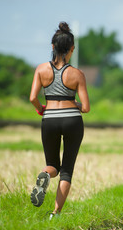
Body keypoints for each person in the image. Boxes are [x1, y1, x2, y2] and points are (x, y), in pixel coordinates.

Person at [29, 21, 90, 219]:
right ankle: (55, 213)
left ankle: (45, 175)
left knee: (53, 165)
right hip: (72, 120)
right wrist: (76, 105)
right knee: (67, 170)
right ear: (72, 49)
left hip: (50, 119)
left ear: (52, 47)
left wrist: (42, 110)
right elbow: (86, 108)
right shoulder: (77, 74)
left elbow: (32, 98)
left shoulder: (40, 70)